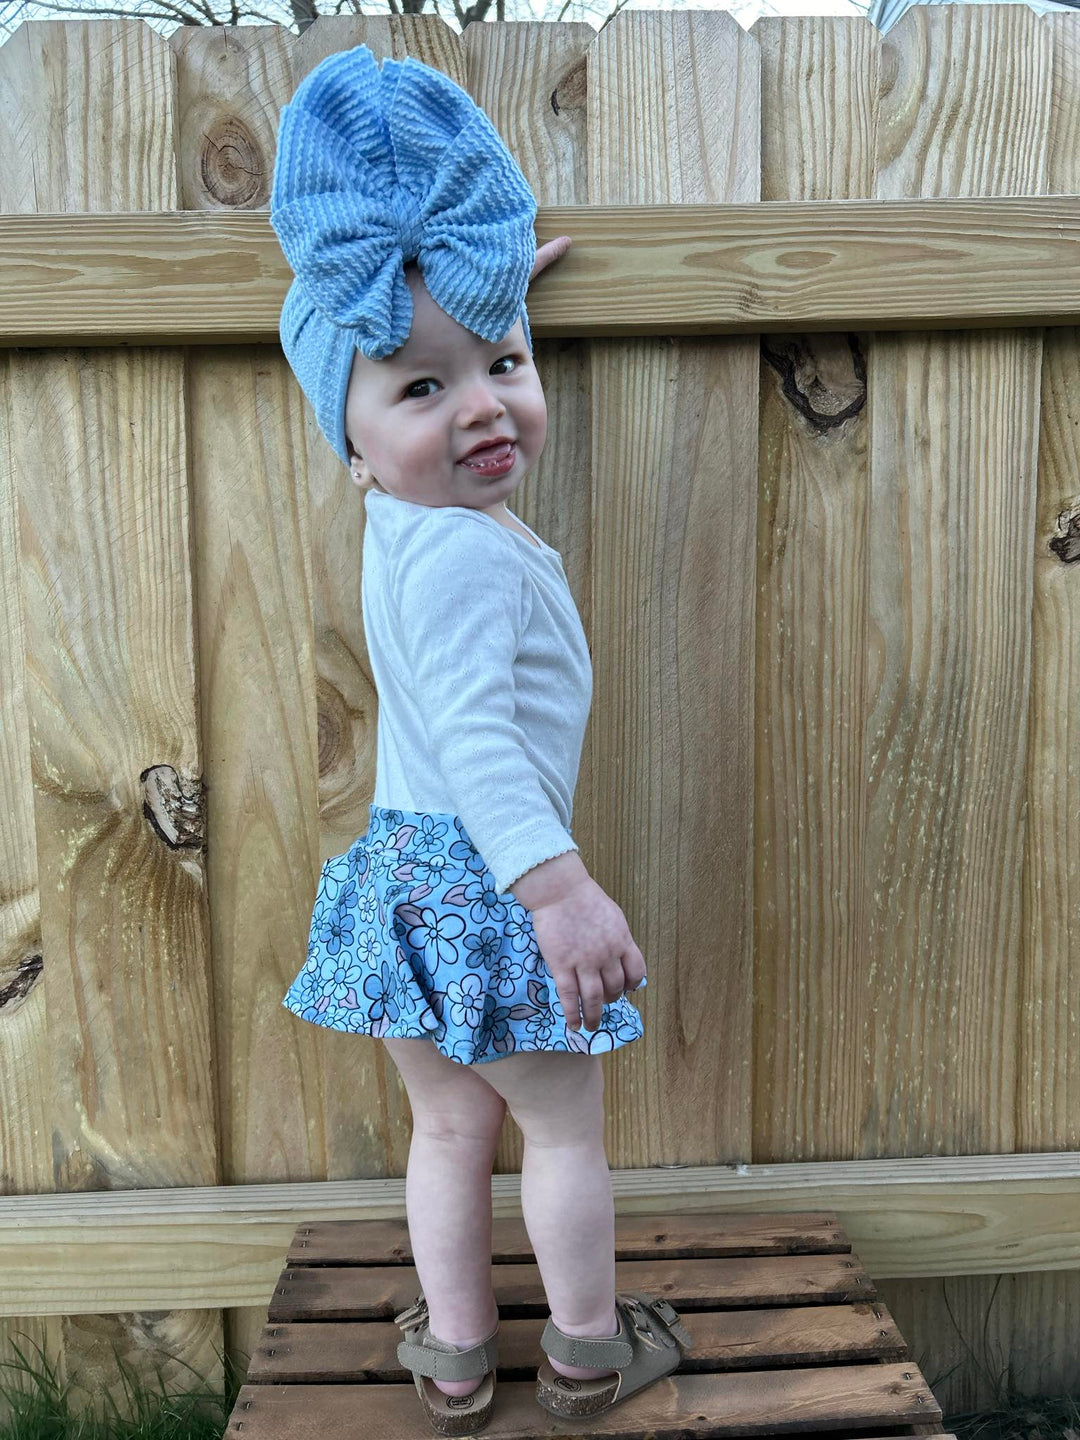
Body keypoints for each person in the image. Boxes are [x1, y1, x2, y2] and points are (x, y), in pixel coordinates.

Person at [268, 42, 690, 1434]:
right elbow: (477, 737)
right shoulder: (466, 558)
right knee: (560, 1130)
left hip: (404, 874)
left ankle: (454, 1359)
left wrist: (485, 310)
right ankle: (586, 1355)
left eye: (504, 364)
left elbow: (419, 371)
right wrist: (556, 891)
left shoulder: (400, 513)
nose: (485, 407)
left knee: (450, 1126)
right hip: (493, 878)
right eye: (423, 389)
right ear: (350, 440)